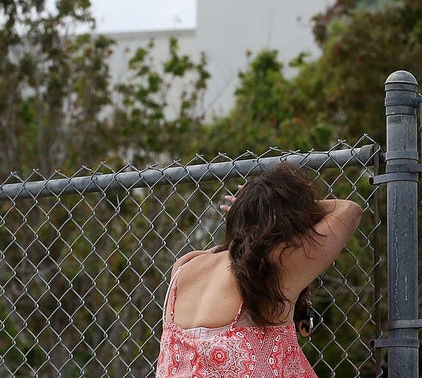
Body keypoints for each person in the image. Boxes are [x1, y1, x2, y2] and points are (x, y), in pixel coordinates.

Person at [155, 162, 363, 377]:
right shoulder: (272, 268)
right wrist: (288, 209)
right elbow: (349, 210)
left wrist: (248, 207)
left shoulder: (186, 265)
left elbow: (234, 247)